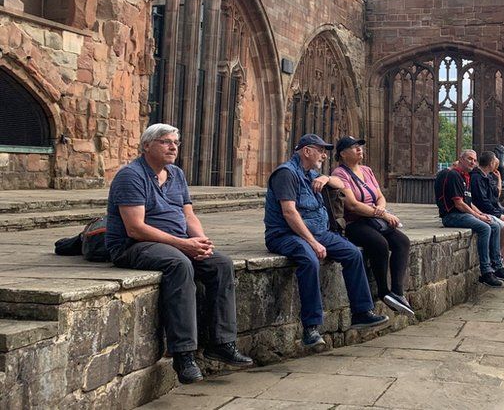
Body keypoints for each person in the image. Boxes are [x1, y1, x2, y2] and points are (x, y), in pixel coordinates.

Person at [107, 124, 253, 384]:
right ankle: (183, 355)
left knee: (220, 263)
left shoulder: (176, 174)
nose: (173, 147)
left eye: (176, 142)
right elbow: (135, 228)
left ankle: (221, 342)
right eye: (165, 142)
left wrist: (199, 240)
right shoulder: (131, 176)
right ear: (147, 146)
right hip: (134, 245)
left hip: (176, 242)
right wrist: (183, 245)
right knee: (180, 264)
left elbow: (188, 214)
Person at [265, 134, 389, 350]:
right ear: (306, 151)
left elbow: (341, 182)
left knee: (353, 254)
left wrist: (326, 179)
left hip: (319, 231)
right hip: (286, 234)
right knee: (309, 260)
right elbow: (289, 213)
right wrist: (313, 242)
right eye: (321, 150)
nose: (324, 155)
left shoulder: (310, 173)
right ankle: (311, 328)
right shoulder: (286, 174)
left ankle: (361, 312)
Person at [331, 136, 414, 318]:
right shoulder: (340, 174)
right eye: (354, 147)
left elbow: (380, 196)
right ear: (343, 154)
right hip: (355, 223)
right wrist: (383, 214)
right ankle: (383, 291)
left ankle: (397, 292)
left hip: (374, 219)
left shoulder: (367, 171)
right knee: (380, 244)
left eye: (360, 146)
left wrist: (381, 208)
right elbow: (352, 205)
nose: (359, 149)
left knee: (402, 241)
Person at [436, 149, 504, 287]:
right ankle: (486, 272)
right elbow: (459, 204)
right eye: (469, 159)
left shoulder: (466, 176)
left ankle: (497, 266)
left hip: (463, 213)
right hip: (452, 216)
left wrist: (482, 214)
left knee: (494, 225)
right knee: (485, 228)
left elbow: (469, 202)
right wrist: (478, 216)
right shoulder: (454, 175)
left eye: (474, 159)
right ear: (461, 159)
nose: (473, 162)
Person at [470, 151, 504, 275]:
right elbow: (482, 202)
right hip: (486, 210)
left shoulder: (488, 176)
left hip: (495, 208)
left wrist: (499, 180)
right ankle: (496, 261)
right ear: (491, 163)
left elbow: (495, 195)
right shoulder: (477, 177)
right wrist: (498, 215)